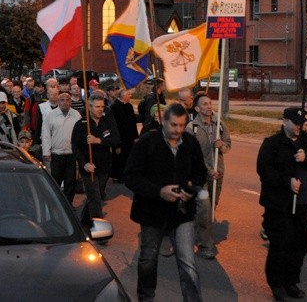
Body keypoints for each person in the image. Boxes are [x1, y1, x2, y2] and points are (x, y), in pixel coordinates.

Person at [124, 103, 207, 302]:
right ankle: (145, 298)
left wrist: (191, 191)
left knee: (188, 262)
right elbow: (130, 177)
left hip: (182, 213)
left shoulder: (190, 143)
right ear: (162, 122)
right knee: (148, 260)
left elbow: (200, 172)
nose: (178, 130)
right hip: (152, 213)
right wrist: (159, 191)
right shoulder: (147, 142)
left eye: (181, 125)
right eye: (173, 125)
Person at [256, 107, 307, 301]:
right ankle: (277, 283)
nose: (300, 127)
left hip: (302, 203)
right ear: (285, 121)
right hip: (278, 205)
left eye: (303, 123)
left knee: (299, 245)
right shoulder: (272, 144)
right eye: (296, 123)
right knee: (280, 244)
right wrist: (286, 181)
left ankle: (291, 281)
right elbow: (264, 170)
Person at [185, 93, 231, 260]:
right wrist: (206, 169)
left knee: (212, 207)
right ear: (197, 108)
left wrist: (222, 146)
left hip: (218, 173)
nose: (209, 106)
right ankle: (205, 245)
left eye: (210, 102)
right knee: (204, 208)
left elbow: (228, 144)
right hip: (201, 177)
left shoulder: (219, 124)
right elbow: (190, 155)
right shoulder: (192, 128)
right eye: (204, 104)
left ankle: (198, 231)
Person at [71, 94, 120, 227]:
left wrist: (98, 141)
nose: (100, 109)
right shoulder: (81, 124)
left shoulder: (108, 121)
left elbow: (116, 140)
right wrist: (84, 164)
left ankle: (84, 221)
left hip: (104, 166)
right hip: (89, 167)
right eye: (97, 107)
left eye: (102, 107)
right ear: (89, 107)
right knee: (95, 198)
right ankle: (99, 229)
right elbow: (75, 148)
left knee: (95, 196)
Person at [42, 92, 81, 205]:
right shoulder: (51, 115)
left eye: (67, 100)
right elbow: (46, 134)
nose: (65, 102)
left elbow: (80, 134)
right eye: (62, 100)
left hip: (71, 154)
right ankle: (54, 204)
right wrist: (46, 152)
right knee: (55, 180)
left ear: (71, 102)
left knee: (70, 181)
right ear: (58, 102)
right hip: (56, 153)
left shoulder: (76, 115)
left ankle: (68, 204)